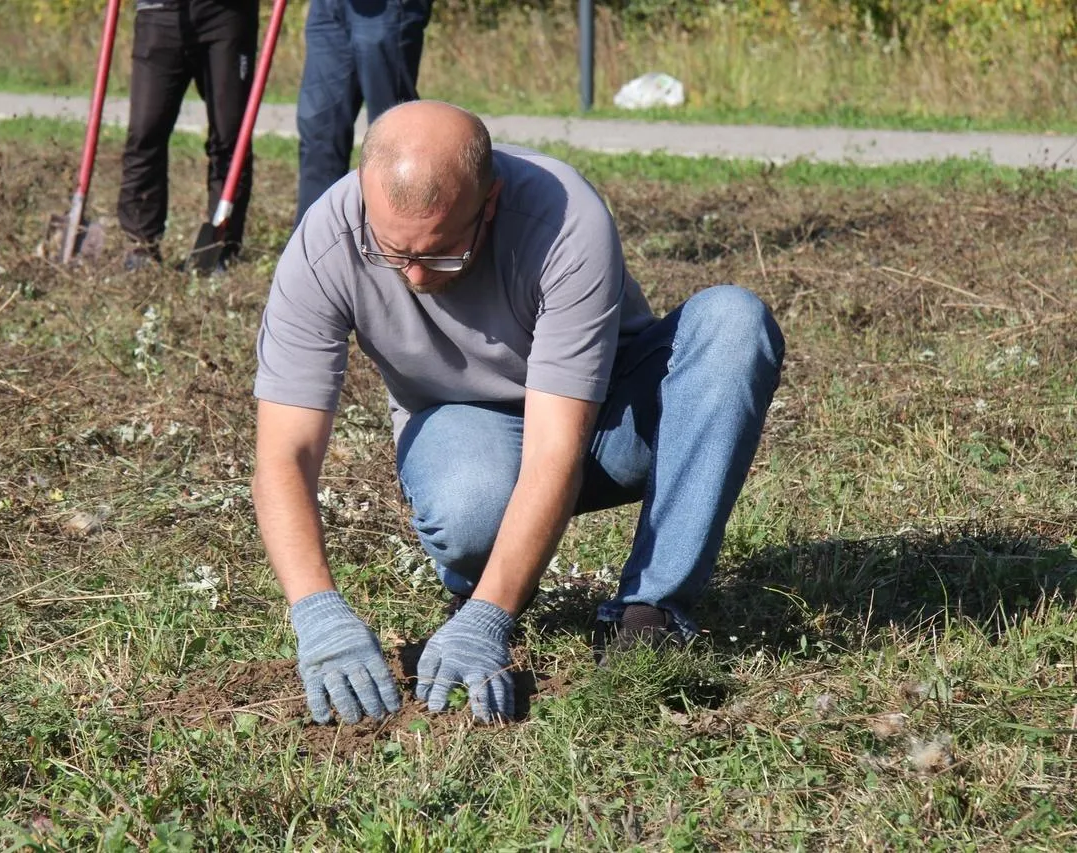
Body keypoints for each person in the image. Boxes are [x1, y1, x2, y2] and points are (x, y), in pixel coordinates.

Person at [251, 101, 785, 724]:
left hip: (607, 423)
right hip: (466, 429)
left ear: (491, 202)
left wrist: (490, 620)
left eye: (442, 253)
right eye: (394, 255)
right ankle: (485, 580)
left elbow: (557, 446)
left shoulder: (563, 219)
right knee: (471, 503)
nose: (417, 275)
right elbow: (284, 452)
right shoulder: (325, 245)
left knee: (733, 322)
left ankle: (651, 612)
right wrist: (317, 610)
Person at [117, 0, 258, 272]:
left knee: (230, 136)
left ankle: (221, 246)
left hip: (227, 14)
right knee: (146, 131)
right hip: (160, 12)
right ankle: (140, 245)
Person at [293, 0, 434, 225]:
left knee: (393, 133)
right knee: (320, 128)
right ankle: (316, 243)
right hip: (328, 8)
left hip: (386, 9)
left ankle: (400, 243)